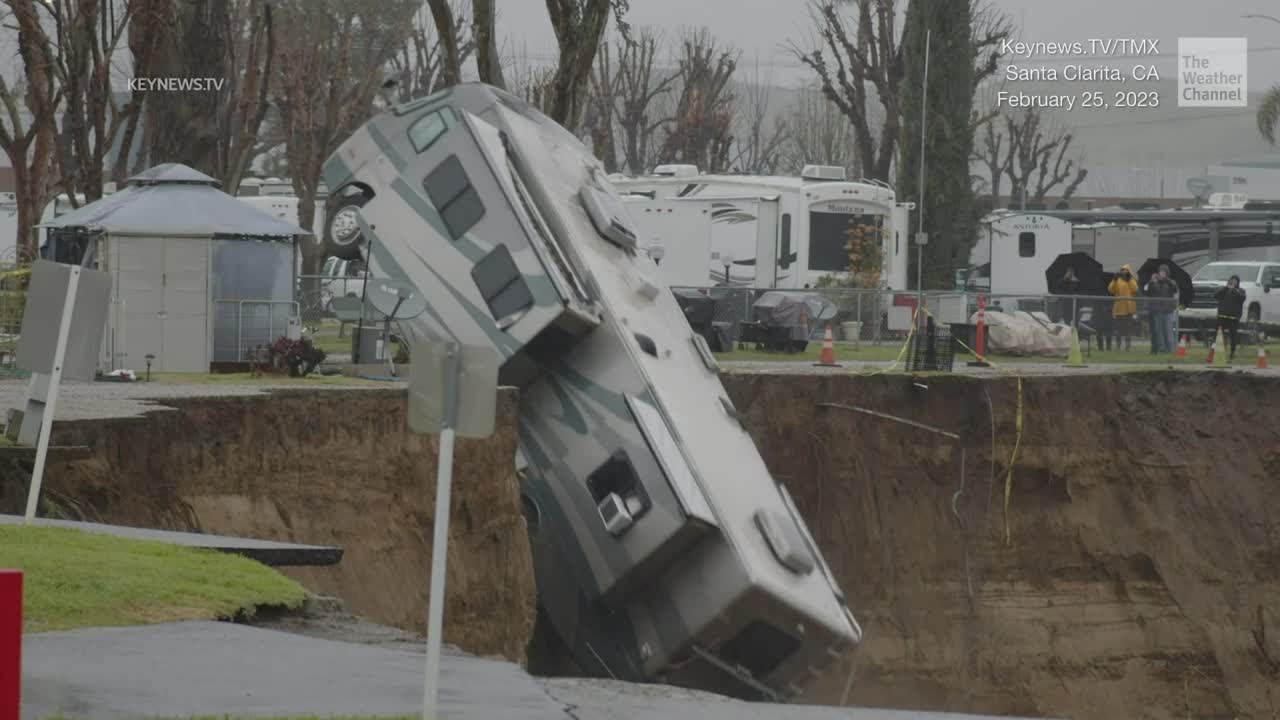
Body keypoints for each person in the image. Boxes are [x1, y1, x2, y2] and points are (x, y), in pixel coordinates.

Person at [1144, 264, 1180, 354]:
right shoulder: (1154, 283)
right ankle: (1162, 349)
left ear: (1167, 273)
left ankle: (1170, 349)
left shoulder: (1171, 282)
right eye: (1160, 272)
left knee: (1168, 331)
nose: (1162, 273)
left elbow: (1175, 289)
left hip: (1168, 311)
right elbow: (1146, 291)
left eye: (1164, 272)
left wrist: (1166, 280)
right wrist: (1151, 281)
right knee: (1159, 331)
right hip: (1157, 311)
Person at [1214, 275, 1247, 362]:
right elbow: (1216, 296)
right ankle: (1216, 352)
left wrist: (1233, 290)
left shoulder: (1241, 291)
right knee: (1218, 335)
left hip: (1233, 318)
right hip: (1222, 316)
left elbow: (1241, 299)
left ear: (1238, 282)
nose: (1233, 282)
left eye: (1235, 281)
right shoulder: (1223, 290)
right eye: (1231, 280)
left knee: (1233, 336)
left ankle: (1232, 352)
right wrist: (1226, 288)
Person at [1108, 264, 1140, 351]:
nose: (1124, 272)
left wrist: (1129, 279)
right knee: (1118, 329)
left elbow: (1135, 289)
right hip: (1119, 309)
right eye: (1123, 271)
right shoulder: (1118, 280)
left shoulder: (1132, 280)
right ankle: (1118, 346)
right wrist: (1114, 280)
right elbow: (1111, 290)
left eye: (1126, 271)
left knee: (1128, 329)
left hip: (1129, 310)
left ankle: (1127, 347)